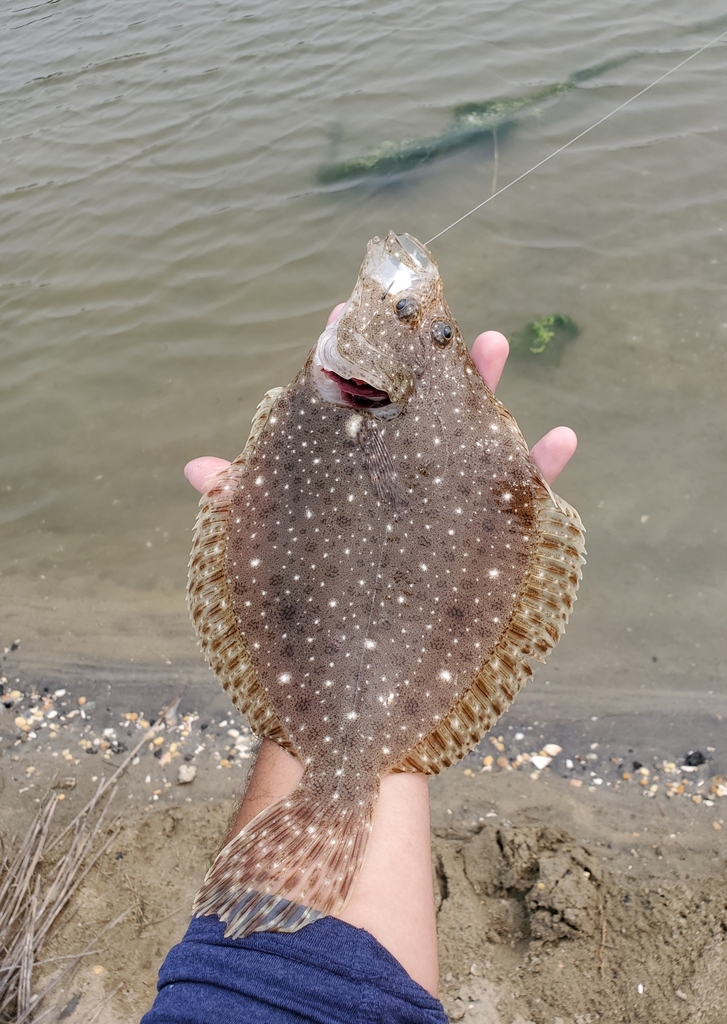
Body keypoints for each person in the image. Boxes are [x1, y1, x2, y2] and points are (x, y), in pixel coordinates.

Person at [141, 310, 577, 1024]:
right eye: (437, 331)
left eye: (439, 334)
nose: (433, 330)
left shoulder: (323, 398)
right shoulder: (365, 401)